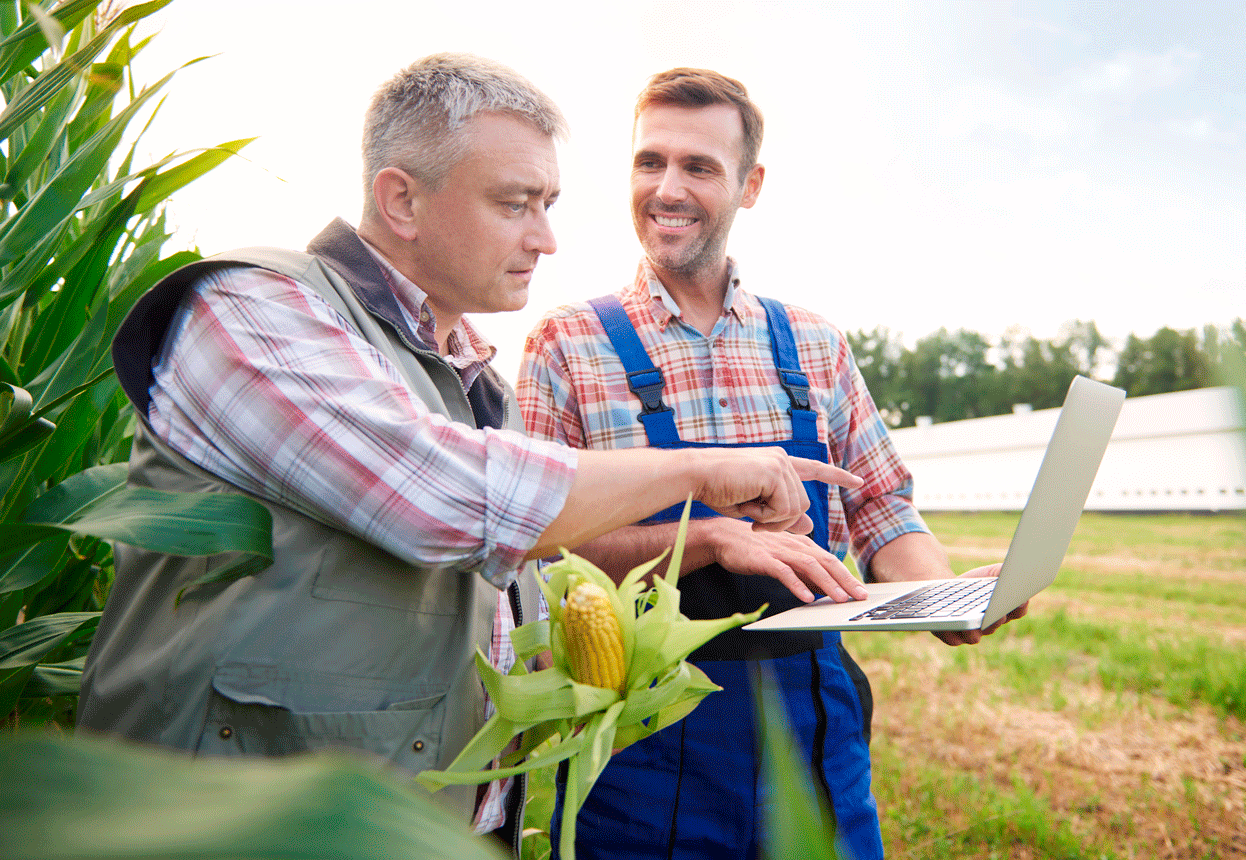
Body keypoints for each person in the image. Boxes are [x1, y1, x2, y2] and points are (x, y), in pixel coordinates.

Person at [77, 54, 864, 853]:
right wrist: (701, 473)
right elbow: (448, 498)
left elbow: (520, 581)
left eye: (549, 204)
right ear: (402, 199)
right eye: (516, 204)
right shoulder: (253, 311)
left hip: (425, 825)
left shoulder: (475, 380)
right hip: (253, 825)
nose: (547, 238)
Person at [518, 68, 1028, 860]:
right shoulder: (568, 344)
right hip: (644, 730)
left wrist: (945, 598)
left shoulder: (814, 345)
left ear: (750, 185)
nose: (667, 188)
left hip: (813, 720)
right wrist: (708, 539)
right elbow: (540, 542)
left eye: (699, 167)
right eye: (649, 162)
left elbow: (884, 509)